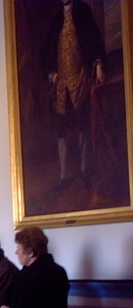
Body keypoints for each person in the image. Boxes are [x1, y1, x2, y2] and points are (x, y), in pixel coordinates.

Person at [43, 0, 106, 190]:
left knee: (82, 126)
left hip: (80, 79)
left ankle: (84, 170)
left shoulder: (83, 11)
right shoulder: (55, 18)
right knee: (62, 130)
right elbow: (46, 49)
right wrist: (51, 73)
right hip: (61, 83)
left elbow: (94, 39)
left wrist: (99, 63)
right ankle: (63, 176)